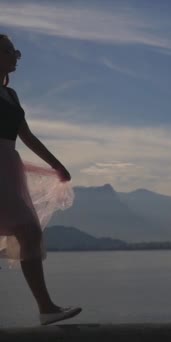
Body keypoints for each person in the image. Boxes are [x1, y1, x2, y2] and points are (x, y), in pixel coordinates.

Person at [0, 34, 81, 325]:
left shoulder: (11, 95)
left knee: (29, 231)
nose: (17, 55)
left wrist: (56, 164)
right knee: (28, 230)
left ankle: (46, 308)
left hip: (8, 166)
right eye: (11, 51)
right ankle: (46, 307)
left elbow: (27, 137)